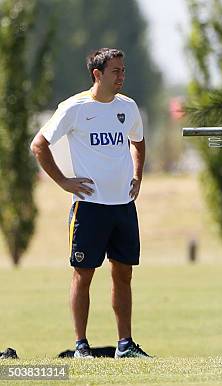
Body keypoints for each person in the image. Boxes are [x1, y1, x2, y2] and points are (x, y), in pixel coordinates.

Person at [30, 48, 150, 358]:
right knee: (83, 274)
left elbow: (138, 142)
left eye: (123, 70)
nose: (122, 76)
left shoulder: (129, 107)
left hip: (123, 206)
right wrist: (63, 182)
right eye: (116, 72)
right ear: (97, 74)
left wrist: (137, 175)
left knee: (124, 274)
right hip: (90, 208)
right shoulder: (74, 108)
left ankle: (125, 345)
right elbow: (39, 145)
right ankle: (81, 345)